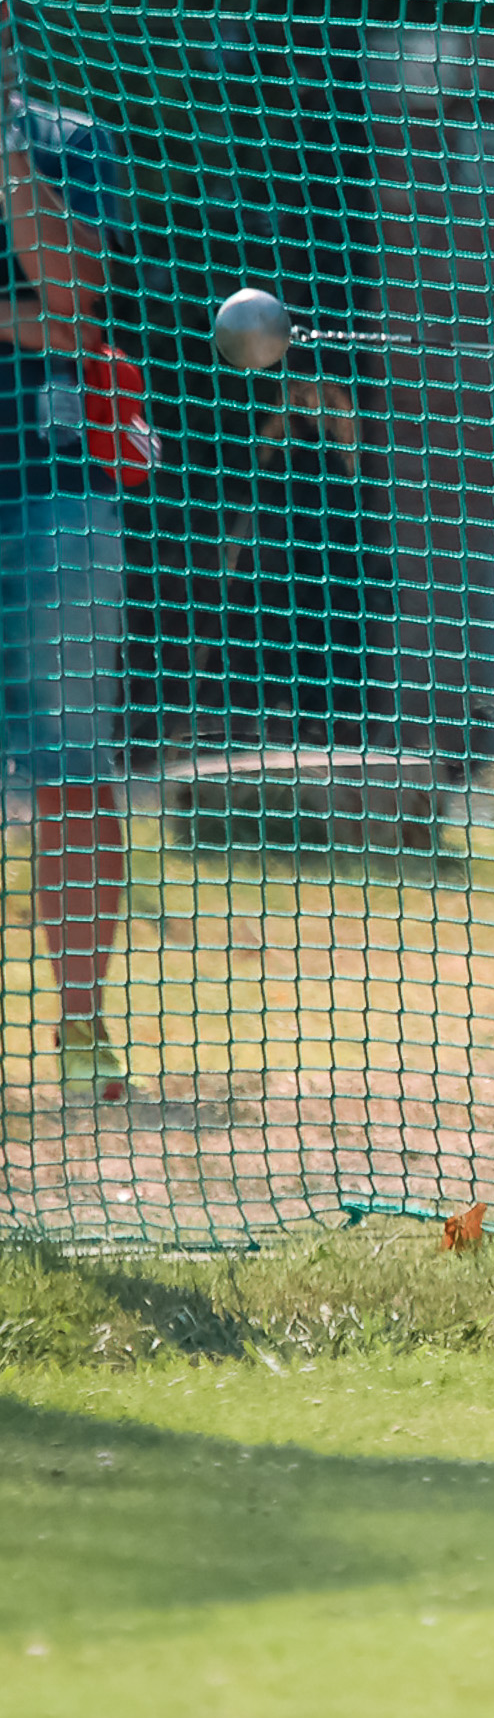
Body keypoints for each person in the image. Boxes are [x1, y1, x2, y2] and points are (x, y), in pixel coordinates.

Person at [0, 91, 135, 1101]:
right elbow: (45, 320)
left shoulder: (65, 140)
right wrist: (24, 324)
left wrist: (6, 152)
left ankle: (81, 1027)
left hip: (54, 500)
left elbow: (76, 296)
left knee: (72, 774)